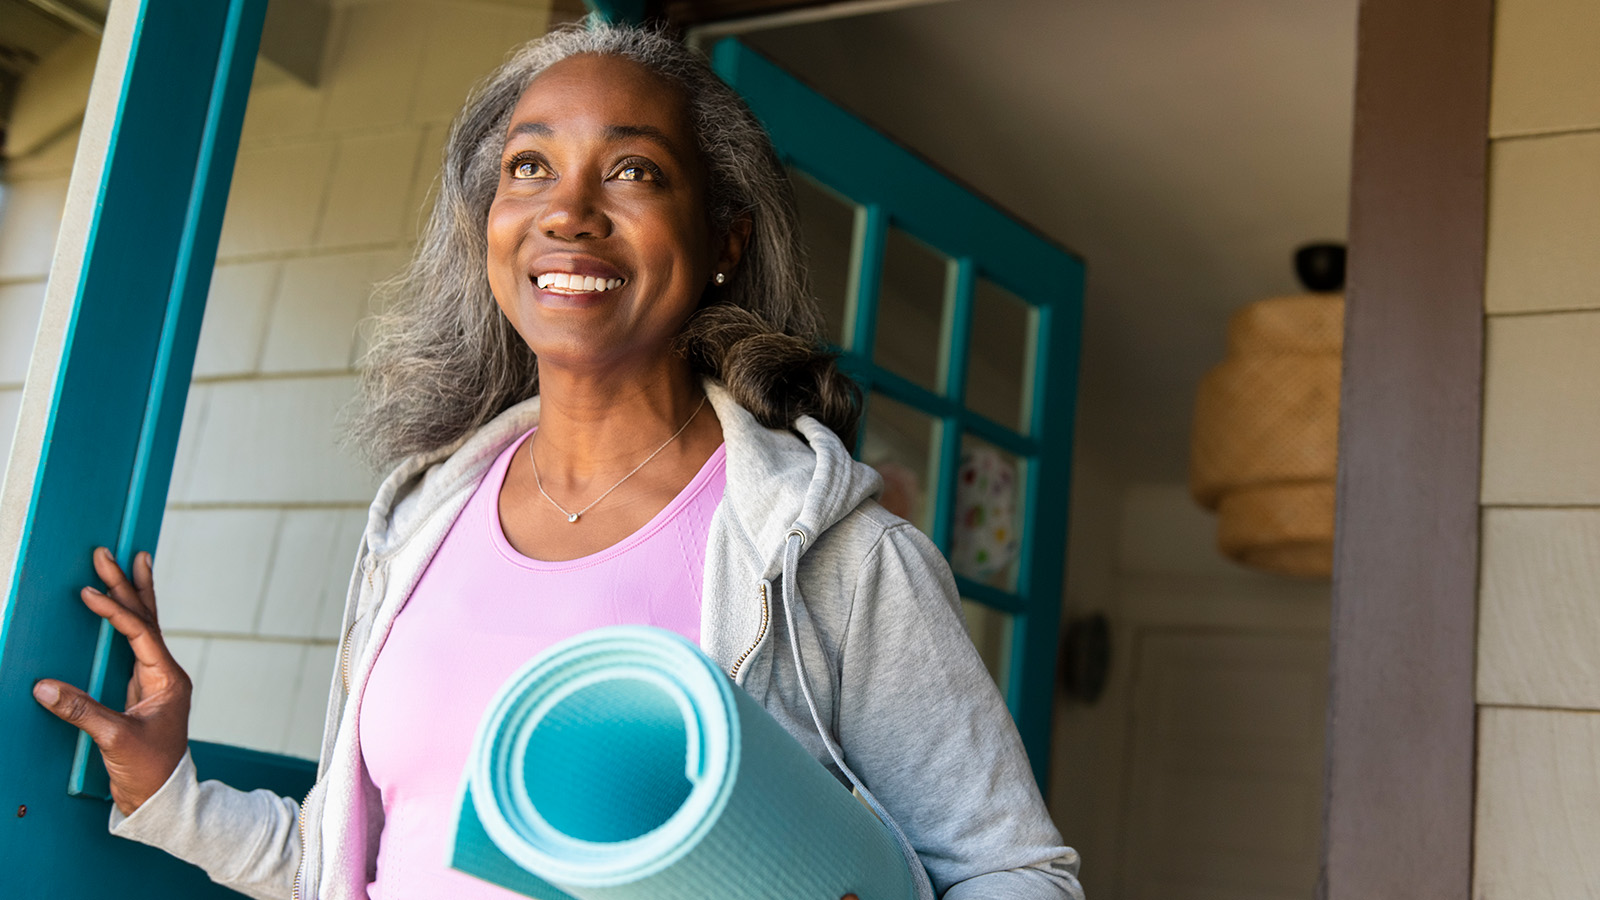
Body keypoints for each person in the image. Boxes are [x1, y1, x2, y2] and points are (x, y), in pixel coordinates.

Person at [31, 21, 1084, 900]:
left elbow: (1020, 873)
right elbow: (351, 866)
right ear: (490, 222)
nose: (568, 213)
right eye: (529, 166)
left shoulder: (833, 557)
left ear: (723, 237)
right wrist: (166, 792)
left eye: (632, 169)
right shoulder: (418, 520)